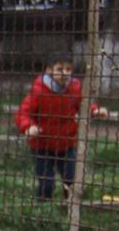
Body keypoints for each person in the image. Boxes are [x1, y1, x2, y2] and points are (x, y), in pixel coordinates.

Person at [14, 58, 105, 201]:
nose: (64, 73)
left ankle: (70, 205)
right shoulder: (39, 90)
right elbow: (22, 113)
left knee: (71, 179)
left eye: (68, 69)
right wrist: (28, 126)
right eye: (59, 69)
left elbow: (83, 104)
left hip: (66, 144)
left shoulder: (74, 88)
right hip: (42, 145)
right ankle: (43, 206)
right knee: (47, 182)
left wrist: (94, 110)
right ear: (49, 70)